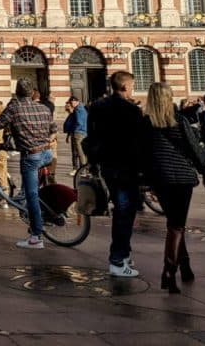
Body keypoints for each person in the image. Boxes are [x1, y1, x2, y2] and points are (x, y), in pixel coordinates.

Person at [141, 81, 205, 293]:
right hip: (180, 178)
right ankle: (169, 270)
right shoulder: (178, 121)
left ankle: (185, 265)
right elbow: (194, 150)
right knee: (177, 224)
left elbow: (141, 154)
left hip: (159, 179)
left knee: (174, 222)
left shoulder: (144, 123)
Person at [0, 77, 56, 249]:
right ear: (32, 92)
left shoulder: (14, 108)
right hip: (47, 154)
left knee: (31, 195)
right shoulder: (43, 108)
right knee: (29, 190)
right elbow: (53, 131)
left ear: (17, 92)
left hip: (31, 156)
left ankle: (36, 236)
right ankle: (28, 206)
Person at [84, 70, 144, 278]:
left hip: (107, 164)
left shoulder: (98, 106)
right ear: (125, 86)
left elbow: (90, 136)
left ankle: (123, 254)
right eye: (132, 86)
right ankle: (118, 259)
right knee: (124, 211)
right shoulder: (131, 110)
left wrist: (93, 162)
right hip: (125, 166)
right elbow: (138, 142)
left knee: (123, 210)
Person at [63, 96, 88, 175]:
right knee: (81, 152)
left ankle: (83, 171)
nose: (71, 104)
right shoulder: (82, 108)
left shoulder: (78, 109)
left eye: (71, 102)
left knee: (80, 153)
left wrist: (75, 131)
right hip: (83, 132)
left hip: (79, 133)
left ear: (75, 101)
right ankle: (83, 169)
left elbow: (79, 122)